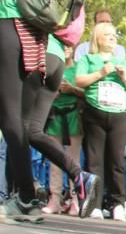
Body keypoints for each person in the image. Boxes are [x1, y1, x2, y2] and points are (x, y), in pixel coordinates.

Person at [0, 0, 100, 219]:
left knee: (12, 119)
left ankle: (25, 194)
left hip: (7, 21)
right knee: (26, 123)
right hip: (36, 33)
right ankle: (24, 194)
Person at [75, 22, 126, 221]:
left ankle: (118, 204)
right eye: (108, 35)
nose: (113, 39)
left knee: (117, 161)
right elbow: (79, 81)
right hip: (94, 113)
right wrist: (101, 73)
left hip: (118, 115)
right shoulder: (88, 59)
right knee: (94, 161)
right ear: (98, 38)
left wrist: (123, 76)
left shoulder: (122, 62)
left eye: (114, 36)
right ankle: (95, 205)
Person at [43, 50, 86, 216]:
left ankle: (75, 199)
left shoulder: (78, 69)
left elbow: (87, 93)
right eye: (63, 47)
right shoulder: (52, 67)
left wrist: (72, 89)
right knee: (55, 160)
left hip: (73, 115)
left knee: (73, 160)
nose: (66, 50)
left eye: (69, 47)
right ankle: (54, 198)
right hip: (55, 115)